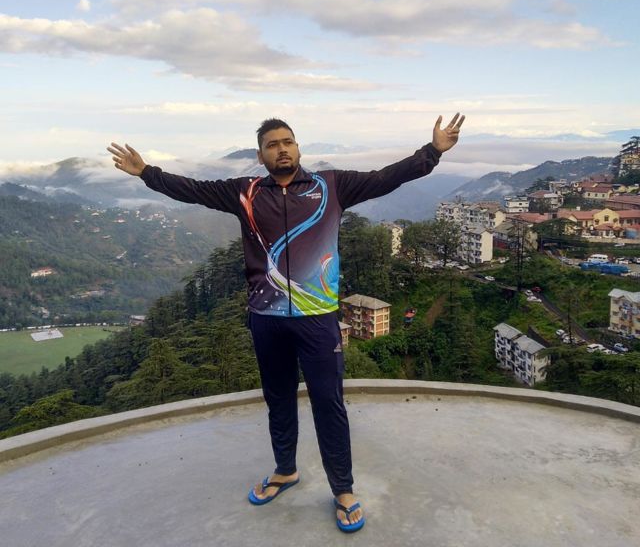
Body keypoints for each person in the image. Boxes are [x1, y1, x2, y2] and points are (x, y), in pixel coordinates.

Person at [107, 113, 464, 533]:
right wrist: (146, 173)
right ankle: (285, 470)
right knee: (278, 399)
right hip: (267, 319)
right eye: (272, 144)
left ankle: (343, 489)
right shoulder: (245, 192)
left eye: (288, 141)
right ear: (261, 156)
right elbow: (192, 189)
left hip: (318, 319)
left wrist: (433, 152)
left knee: (328, 402)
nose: (282, 149)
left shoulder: (331, 186)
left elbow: (388, 177)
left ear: (298, 148)